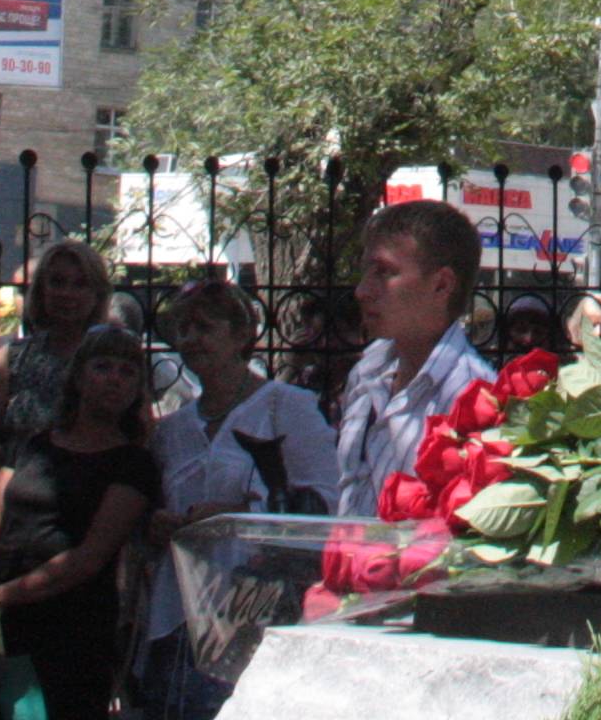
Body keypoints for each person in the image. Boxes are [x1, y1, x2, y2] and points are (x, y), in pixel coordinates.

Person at [134, 280, 331, 720]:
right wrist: (161, 525)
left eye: (203, 327)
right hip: (179, 616)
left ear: (242, 334)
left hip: (256, 613)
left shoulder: (287, 407)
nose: (190, 340)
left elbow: (322, 504)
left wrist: (236, 518)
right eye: (182, 329)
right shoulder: (171, 430)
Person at [0, 322, 158, 720]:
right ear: (78, 375)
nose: (115, 379)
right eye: (103, 366)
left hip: (74, 633)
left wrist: (2, 597)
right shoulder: (32, 443)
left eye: (128, 372)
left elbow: (89, 558)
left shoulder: (134, 464)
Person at [330, 202, 486, 519]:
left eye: (384, 272)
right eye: (365, 272)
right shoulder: (368, 371)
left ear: (441, 284)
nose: (362, 291)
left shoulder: (471, 396)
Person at [0, 237, 110, 490]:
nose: (67, 293)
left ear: (96, 294)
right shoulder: (11, 358)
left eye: (80, 284)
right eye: (57, 282)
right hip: (19, 503)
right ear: (41, 289)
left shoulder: (114, 358)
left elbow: (140, 438)